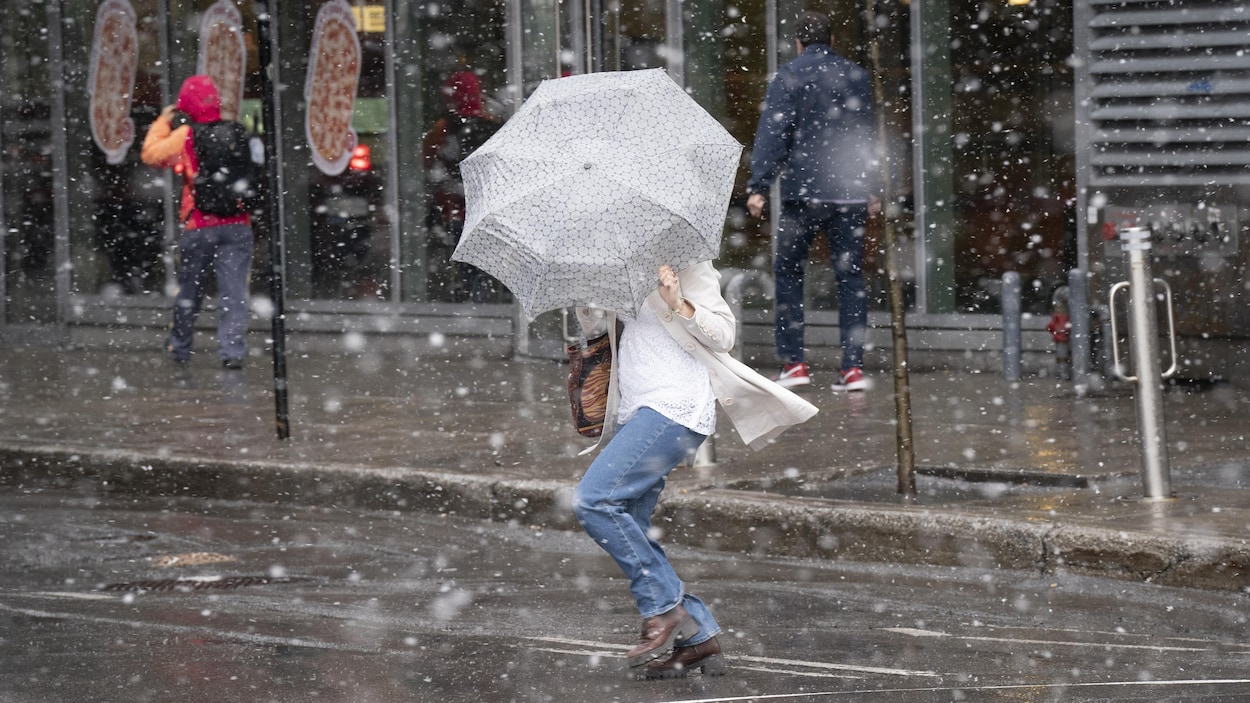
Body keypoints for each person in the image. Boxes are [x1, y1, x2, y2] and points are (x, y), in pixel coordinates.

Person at [573, 262, 817, 679]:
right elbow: (597, 336)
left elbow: (724, 335)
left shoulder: (689, 263)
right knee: (629, 519)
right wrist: (590, 296)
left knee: (594, 500)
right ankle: (698, 637)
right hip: (638, 411)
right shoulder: (614, 265)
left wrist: (679, 302)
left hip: (675, 407)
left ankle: (666, 610)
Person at [745, 11, 880, 392]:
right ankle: (852, 368)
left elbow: (774, 132)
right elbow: (866, 134)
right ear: (832, 40)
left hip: (803, 193)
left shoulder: (788, 76)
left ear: (798, 43)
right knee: (850, 278)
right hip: (849, 192)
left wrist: (759, 185)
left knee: (789, 274)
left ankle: (795, 364)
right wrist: (871, 186)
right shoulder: (857, 76)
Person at [141, 75, 254, 369]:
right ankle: (232, 352)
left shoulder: (187, 135)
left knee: (190, 290)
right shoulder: (235, 132)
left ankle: (180, 346)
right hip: (237, 222)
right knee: (234, 292)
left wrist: (163, 121)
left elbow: (150, 154)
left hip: (200, 224)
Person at [422, 69, 504, 303]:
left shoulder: (444, 127)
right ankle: (485, 300)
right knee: (484, 265)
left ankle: (473, 300)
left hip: (455, 208)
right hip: (484, 208)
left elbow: (428, 160)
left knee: (465, 263)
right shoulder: (492, 125)